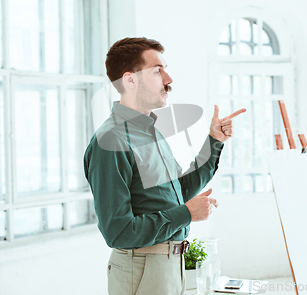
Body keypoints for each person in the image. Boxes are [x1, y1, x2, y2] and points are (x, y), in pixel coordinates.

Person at [83, 37, 246, 295]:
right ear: (130, 80)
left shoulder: (150, 132)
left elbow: (180, 190)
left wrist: (214, 140)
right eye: (157, 71)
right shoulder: (111, 141)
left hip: (169, 266)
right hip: (144, 269)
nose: (168, 79)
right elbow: (118, 232)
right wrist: (186, 213)